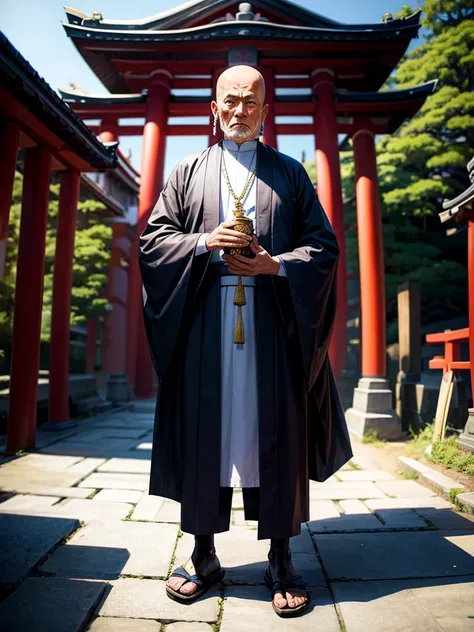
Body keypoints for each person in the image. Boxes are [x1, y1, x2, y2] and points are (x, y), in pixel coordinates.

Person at [139, 64, 352, 617]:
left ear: (265, 109)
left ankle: (280, 557)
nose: (239, 111)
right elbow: (153, 242)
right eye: (229, 101)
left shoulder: (291, 174)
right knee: (209, 438)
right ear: (214, 107)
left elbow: (323, 248)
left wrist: (272, 265)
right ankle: (204, 553)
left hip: (272, 330)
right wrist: (206, 242)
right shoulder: (187, 173)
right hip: (207, 330)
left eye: (250, 103)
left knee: (274, 436)